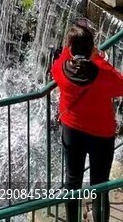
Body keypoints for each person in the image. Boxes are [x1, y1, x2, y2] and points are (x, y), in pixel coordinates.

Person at [51, 21, 123, 222]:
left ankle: (72, 219)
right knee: (100, 184)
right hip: (101, 135)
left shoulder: (60, 70)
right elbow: (120, 84)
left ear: (71, 48)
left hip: (72, 130)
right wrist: (98, 57)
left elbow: (60, 61)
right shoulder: (103, 75)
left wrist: (69, 48)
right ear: (91, 48)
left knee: (72, 182)